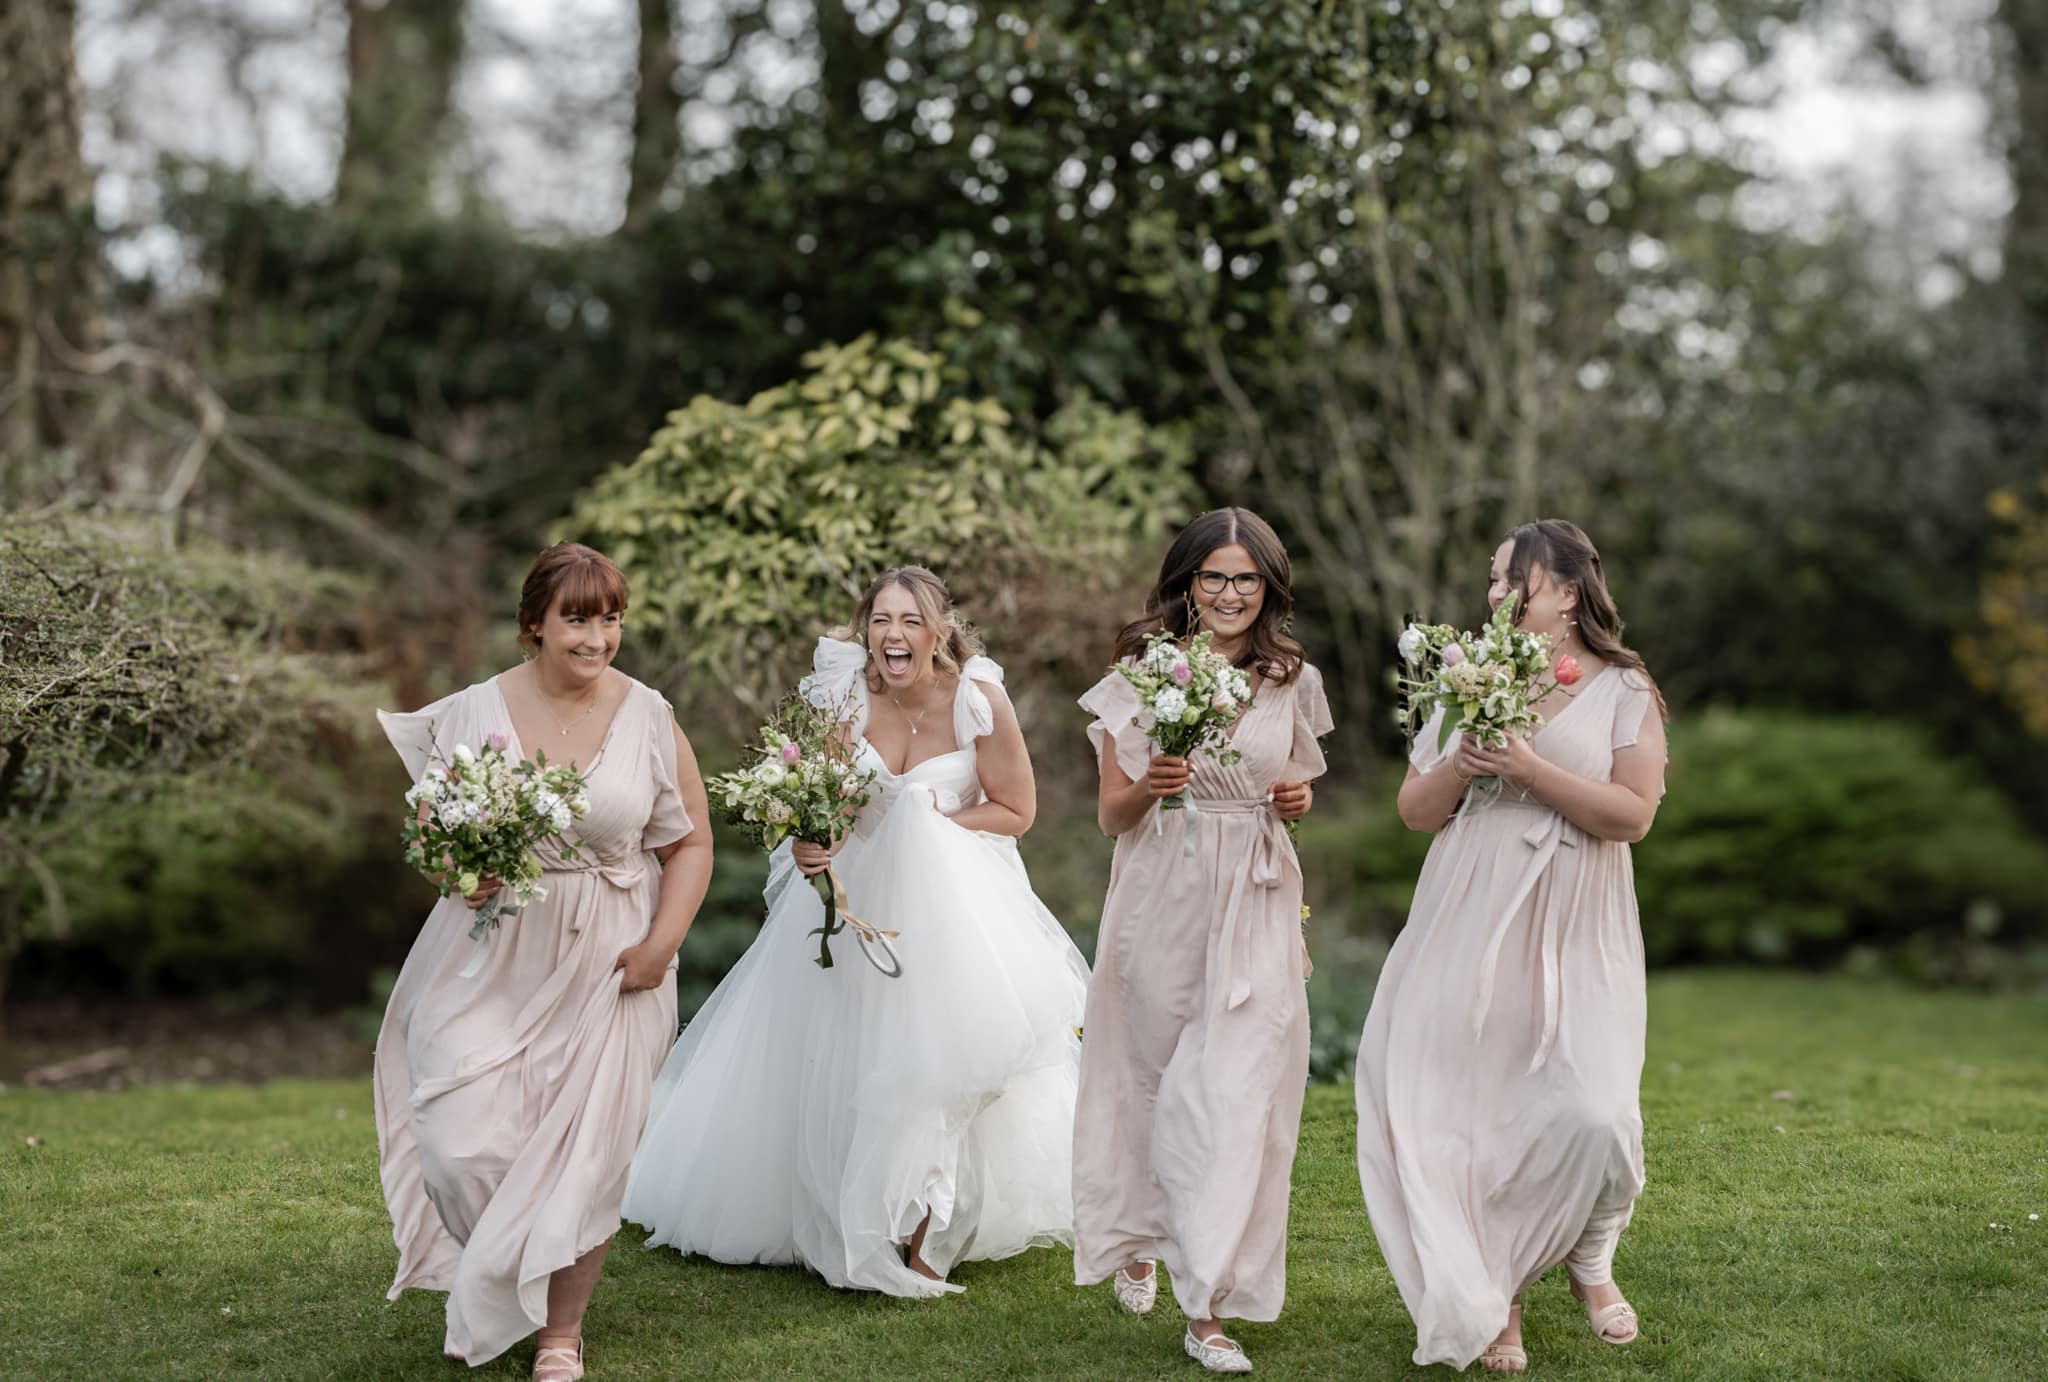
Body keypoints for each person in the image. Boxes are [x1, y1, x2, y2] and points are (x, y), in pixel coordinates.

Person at [624, 566, 1089, 1296]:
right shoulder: (844, 697)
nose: (893, 635)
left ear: (939, 632)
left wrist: (932, 822)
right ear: (865, 630)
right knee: (847, 1054)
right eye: (880, 620)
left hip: (955, 904)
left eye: (910, 621)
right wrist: (815, 842)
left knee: (945, 1057)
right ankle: (855, 1209)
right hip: (857, 904)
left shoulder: (977, 698)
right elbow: (831, 806)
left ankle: (934, 1230)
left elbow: (1015, 810)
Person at [374, 541, 713, 1380]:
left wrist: (661, 946)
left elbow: (691, 842)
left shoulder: (648, 715)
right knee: (457, 1143)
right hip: (489, 954)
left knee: (585, 1153)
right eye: (577, 619)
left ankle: (561, 1333)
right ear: (534, 624)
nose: (597, 638)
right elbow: (433, 837)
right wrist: (460, 872)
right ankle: (500, 1267)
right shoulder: (473, 712)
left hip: (614, 958)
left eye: (611, 619)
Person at [1355, 518, 1667, 1373]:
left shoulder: (1626, 688)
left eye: (1510, 580)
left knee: (1599, 1111)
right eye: (1492, 580)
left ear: (1566, 592)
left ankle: (1590, 1255)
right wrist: (1463, 763)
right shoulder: (1468, 675)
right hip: (1470, 904)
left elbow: (1633, 816)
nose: (1493, 594)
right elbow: (1415, 811)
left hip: (1577, 912)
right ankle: (1499, 1295)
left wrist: (1531, 770)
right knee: (1475, 1110)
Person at [1071, 508, 1332, 1374]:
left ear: (1269, 587)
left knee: (1237, 1093)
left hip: (1256, 895)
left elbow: (1293, 782)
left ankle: (1208, 1306)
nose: (1229, 593)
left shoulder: (1291, 677)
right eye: (1214, 576)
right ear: (1186, 583)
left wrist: (1294, 800)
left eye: (1246, 579)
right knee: (1149, 1081)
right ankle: (1141, 1234)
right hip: (1162, 891)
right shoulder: (1141, 676)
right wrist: (1151, 784)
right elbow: (1112, 817)